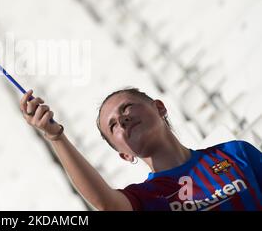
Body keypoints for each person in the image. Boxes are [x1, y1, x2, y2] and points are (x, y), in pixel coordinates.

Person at [19, 88, 262, 211]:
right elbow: (106, 203)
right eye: (112, 125)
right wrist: (56, 136)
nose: (122, 120)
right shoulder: (144, 199)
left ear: (159, 107)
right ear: (124, 155)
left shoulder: (235, 153)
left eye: (126, 108)